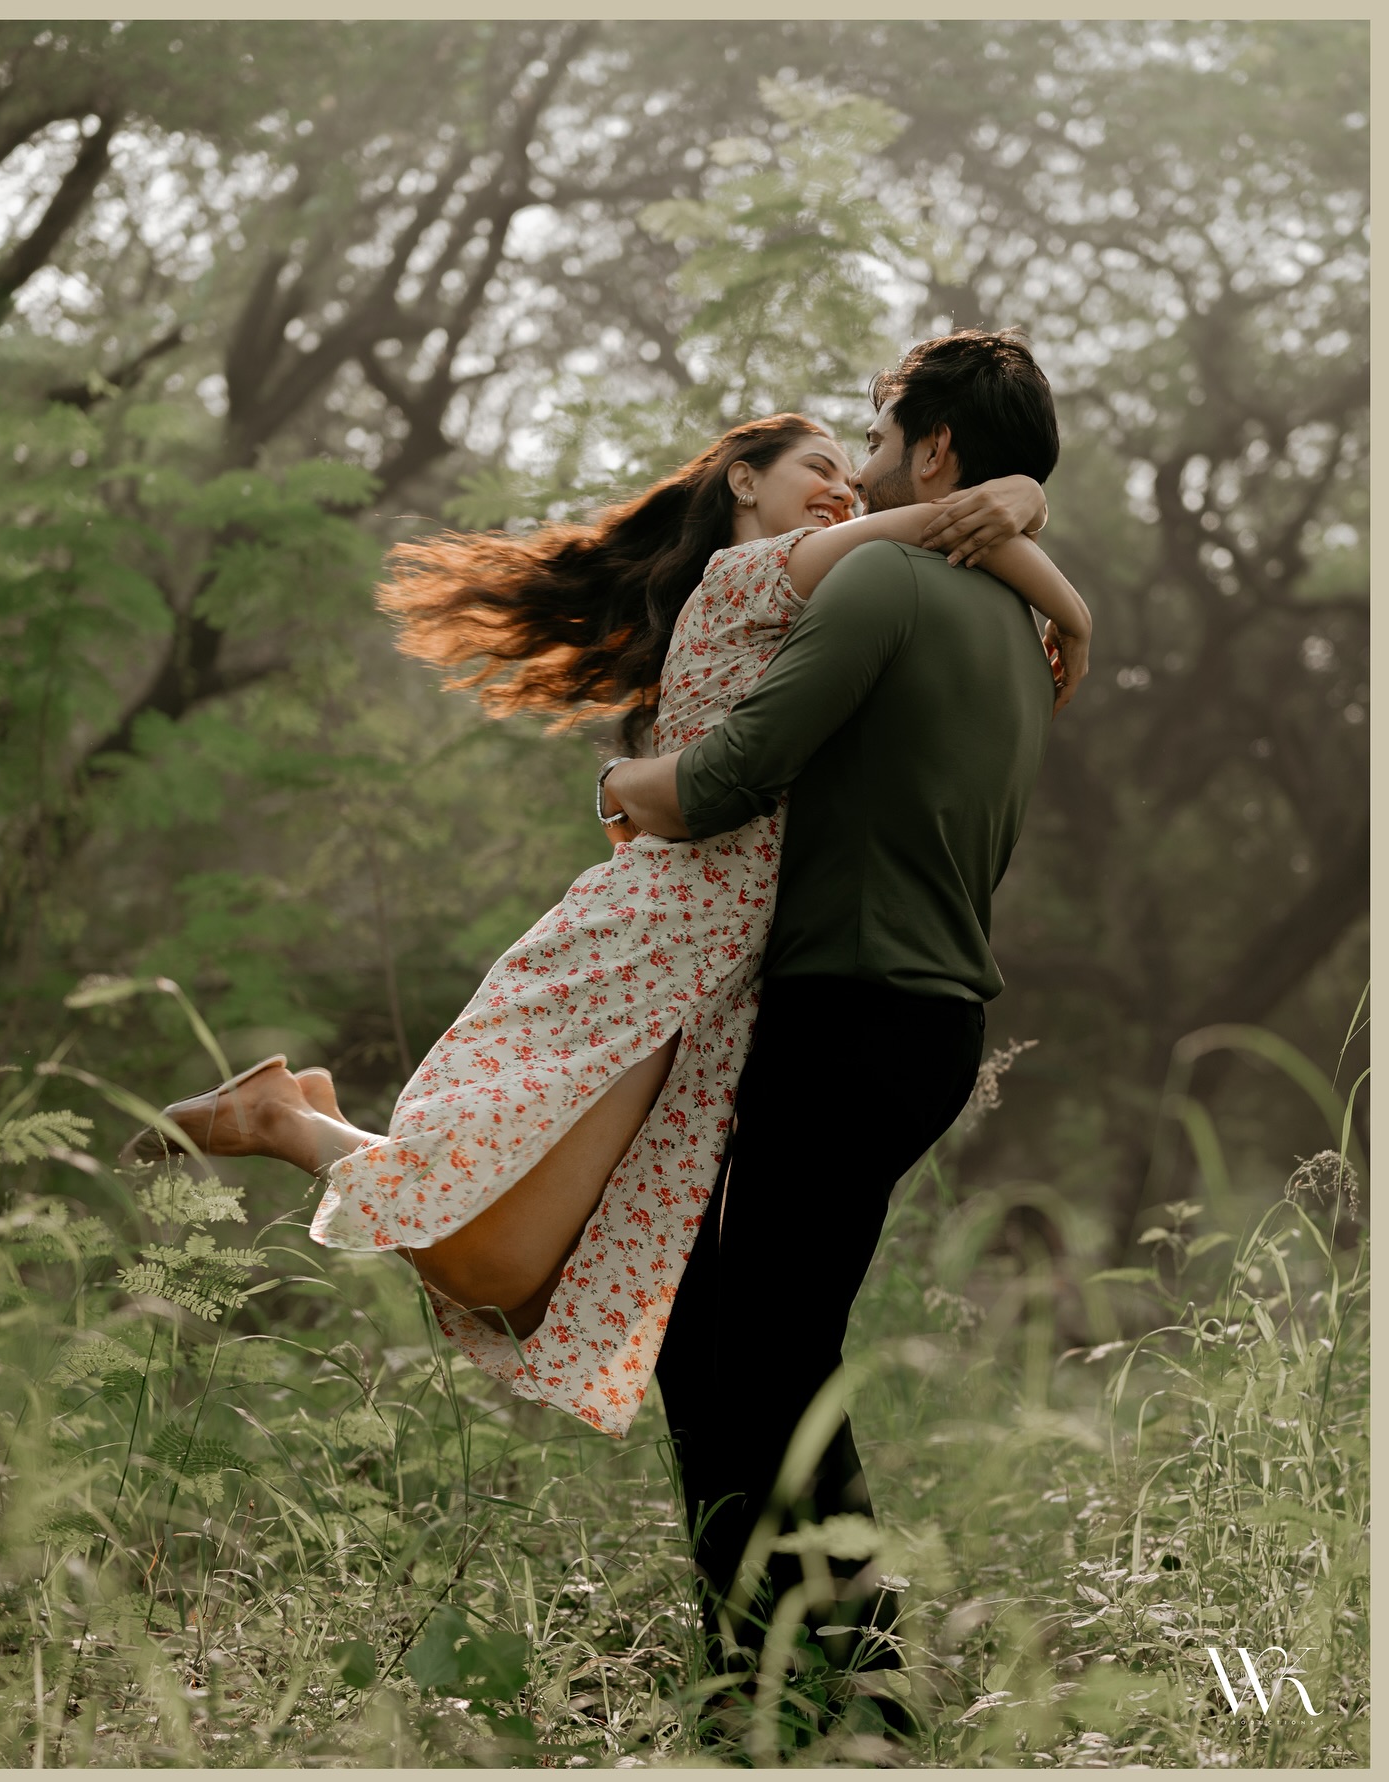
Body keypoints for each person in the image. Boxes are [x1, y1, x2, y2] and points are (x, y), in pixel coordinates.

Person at [127, 387, 1087, 1454]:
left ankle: (297, 1120)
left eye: (850, 469)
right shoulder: (752, 574)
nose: (843, 485)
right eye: (816, 465)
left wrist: (1045, 553)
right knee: (487, 1253)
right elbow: (937, 529)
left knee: (525, 1276)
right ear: (741, 482)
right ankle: (285, 1123)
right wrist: (1025, 512)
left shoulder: (837, 589)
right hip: (667, 940)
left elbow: (951, 545)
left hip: (730, 982)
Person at [600, 327, 1077, 1715]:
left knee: (738, 1357)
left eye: (876, 445)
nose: (862, 477)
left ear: (935, 452)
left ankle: (791, 1689)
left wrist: (625, 784)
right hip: (921, 1025)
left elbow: (727, 780)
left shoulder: (883, 579)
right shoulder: (1019, 619)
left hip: (846, 1014)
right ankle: (830, 1681)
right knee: (764, 1347)